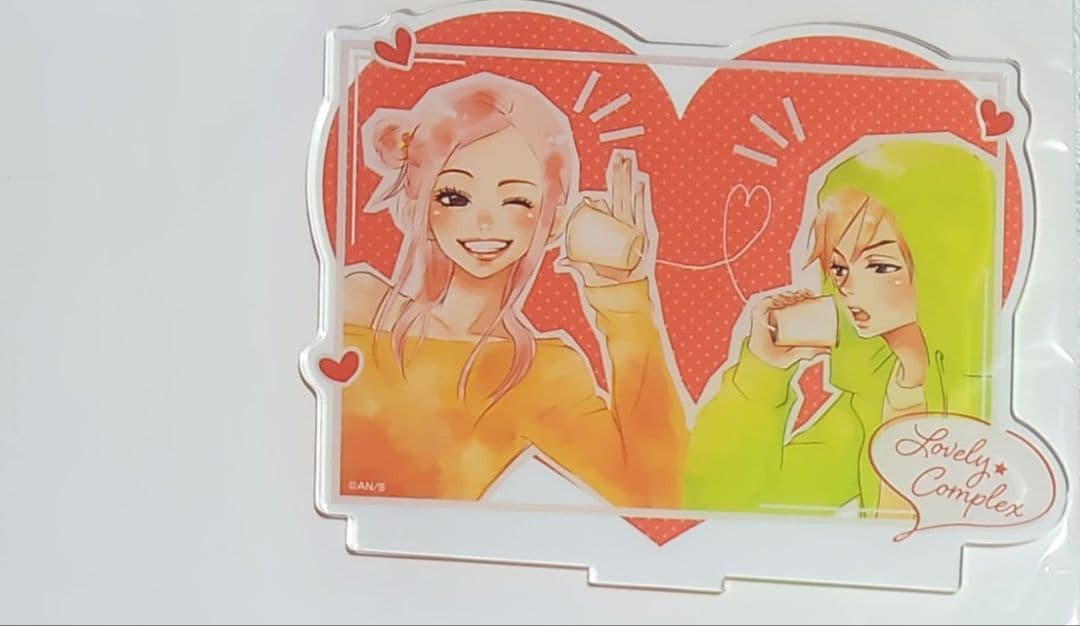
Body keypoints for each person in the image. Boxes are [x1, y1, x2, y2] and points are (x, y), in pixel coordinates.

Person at [340, 72, 688, 508]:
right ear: (415, 208)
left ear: (554, 222)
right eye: (454, 197)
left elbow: (659, 497)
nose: (485, 222)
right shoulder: (355, 307)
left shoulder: (544, 375)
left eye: (517, 201)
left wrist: (623, 298)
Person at [684, 139, 997, 516]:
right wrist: (762, 373)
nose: (847, 287)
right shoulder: (873, 399)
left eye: (880, 266)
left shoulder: (992, 393)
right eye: (838, 267)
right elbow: (721, 504)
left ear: (945, 267)